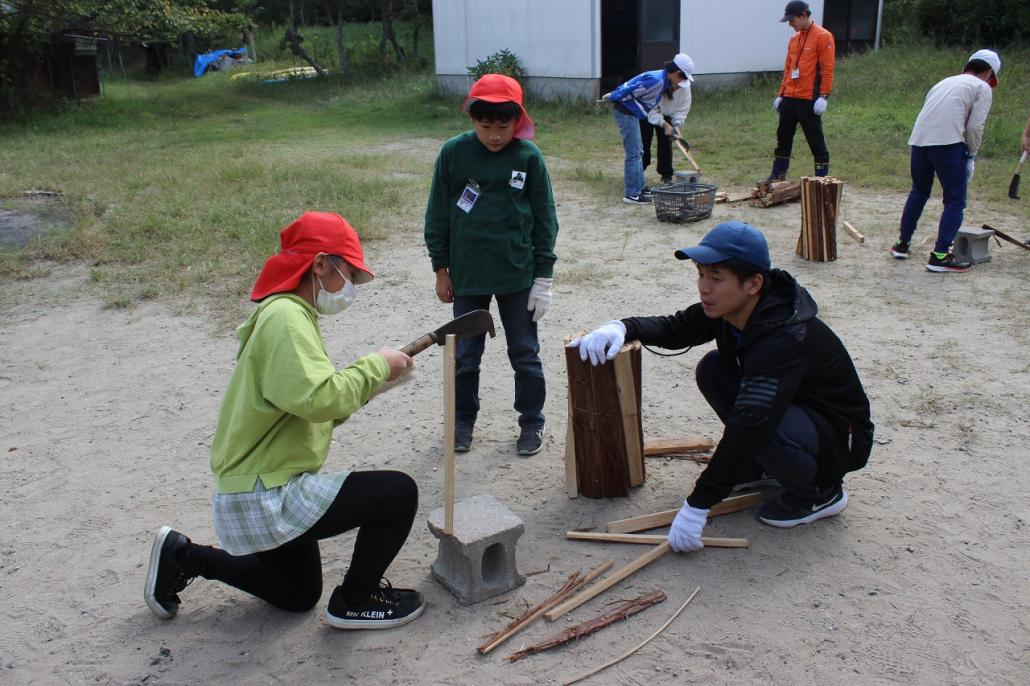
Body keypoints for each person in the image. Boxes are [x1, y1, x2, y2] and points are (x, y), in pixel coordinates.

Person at [144, 211, 426, 630]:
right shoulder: (285, 318)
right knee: (398, 493)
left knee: (296, 595)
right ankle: (357, 598)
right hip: (264, 493)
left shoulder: (290, 315)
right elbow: (317, 398)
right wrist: (373, 367)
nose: (350, 286)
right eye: (348, 272)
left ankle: (183, 556)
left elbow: (307, 407)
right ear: (320, 264)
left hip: (254, 487)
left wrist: (373, 385)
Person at [569, 221, 873, 551]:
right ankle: (764, 466)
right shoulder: (735, 309)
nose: (704, 287)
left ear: (753, 283)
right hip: (797, 416)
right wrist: (622, 328)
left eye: (716, 278)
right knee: (713, 368)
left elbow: (749, 425)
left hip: (840, 441)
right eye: (700, 274)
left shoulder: (783, 338)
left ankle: (822, 492)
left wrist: (699, 504)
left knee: (755, 419)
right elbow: (677, 329)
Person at [424, 74, 559, 456]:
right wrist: (441, 268)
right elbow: (438, 213)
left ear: (518, 122)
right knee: (465, 355)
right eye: (486, 126)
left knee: (525, 353)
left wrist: (543, 277)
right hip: (468, 276)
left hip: (518, 274)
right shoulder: (454, 154)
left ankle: (531, 422)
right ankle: (462, 422)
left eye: (504, 126)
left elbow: (545, 217)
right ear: (472, 120)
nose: (495, 135)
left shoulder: (528, 157)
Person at [889, 49, 1000, 273]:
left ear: (967, 65)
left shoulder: (944, 82)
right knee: (955, 201)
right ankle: (940, 256)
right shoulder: (982, 87)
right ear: (989, 72)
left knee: (919, 191)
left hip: (919, 142)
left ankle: (902, 244)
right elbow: (975, 126)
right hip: (949, 144)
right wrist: (971, 155)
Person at [600, 54, 694, 204]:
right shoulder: (657, 81)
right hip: (626, 113)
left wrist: (671, 125)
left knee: (639, 152)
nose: (683, 81)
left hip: (633, 114)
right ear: (677, 74)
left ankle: (641, 187)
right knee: (634, 154)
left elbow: (636, 84)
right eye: (683, 78)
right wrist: (614, 95)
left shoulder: (662, 80)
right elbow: (631, 89)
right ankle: (631, 194)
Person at [766, 1, 835, 181]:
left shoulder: (823, 36)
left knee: (815, 140)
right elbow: (788, 69)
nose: (790, 24)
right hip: (790, 97)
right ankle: (778, 174)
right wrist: (781, 94)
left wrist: (823, 96)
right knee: (783, 137)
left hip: (808, 98)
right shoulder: (794, 40)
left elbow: (827, 69)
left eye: (792, 20)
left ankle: (821, 179)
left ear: (804, 15)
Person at [639, 53, 695, 186]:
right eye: (680, 78)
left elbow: (682, 110)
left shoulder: (685, 89)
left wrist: (676, 125)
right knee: (643, 144)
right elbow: (651, 110)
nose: (680, 83)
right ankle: (638, 173)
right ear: (675, 74)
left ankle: (666, 175)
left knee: (666, 144)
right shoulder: (658, 83)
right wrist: (664, 124)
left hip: (668, 116)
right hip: (646, 113)